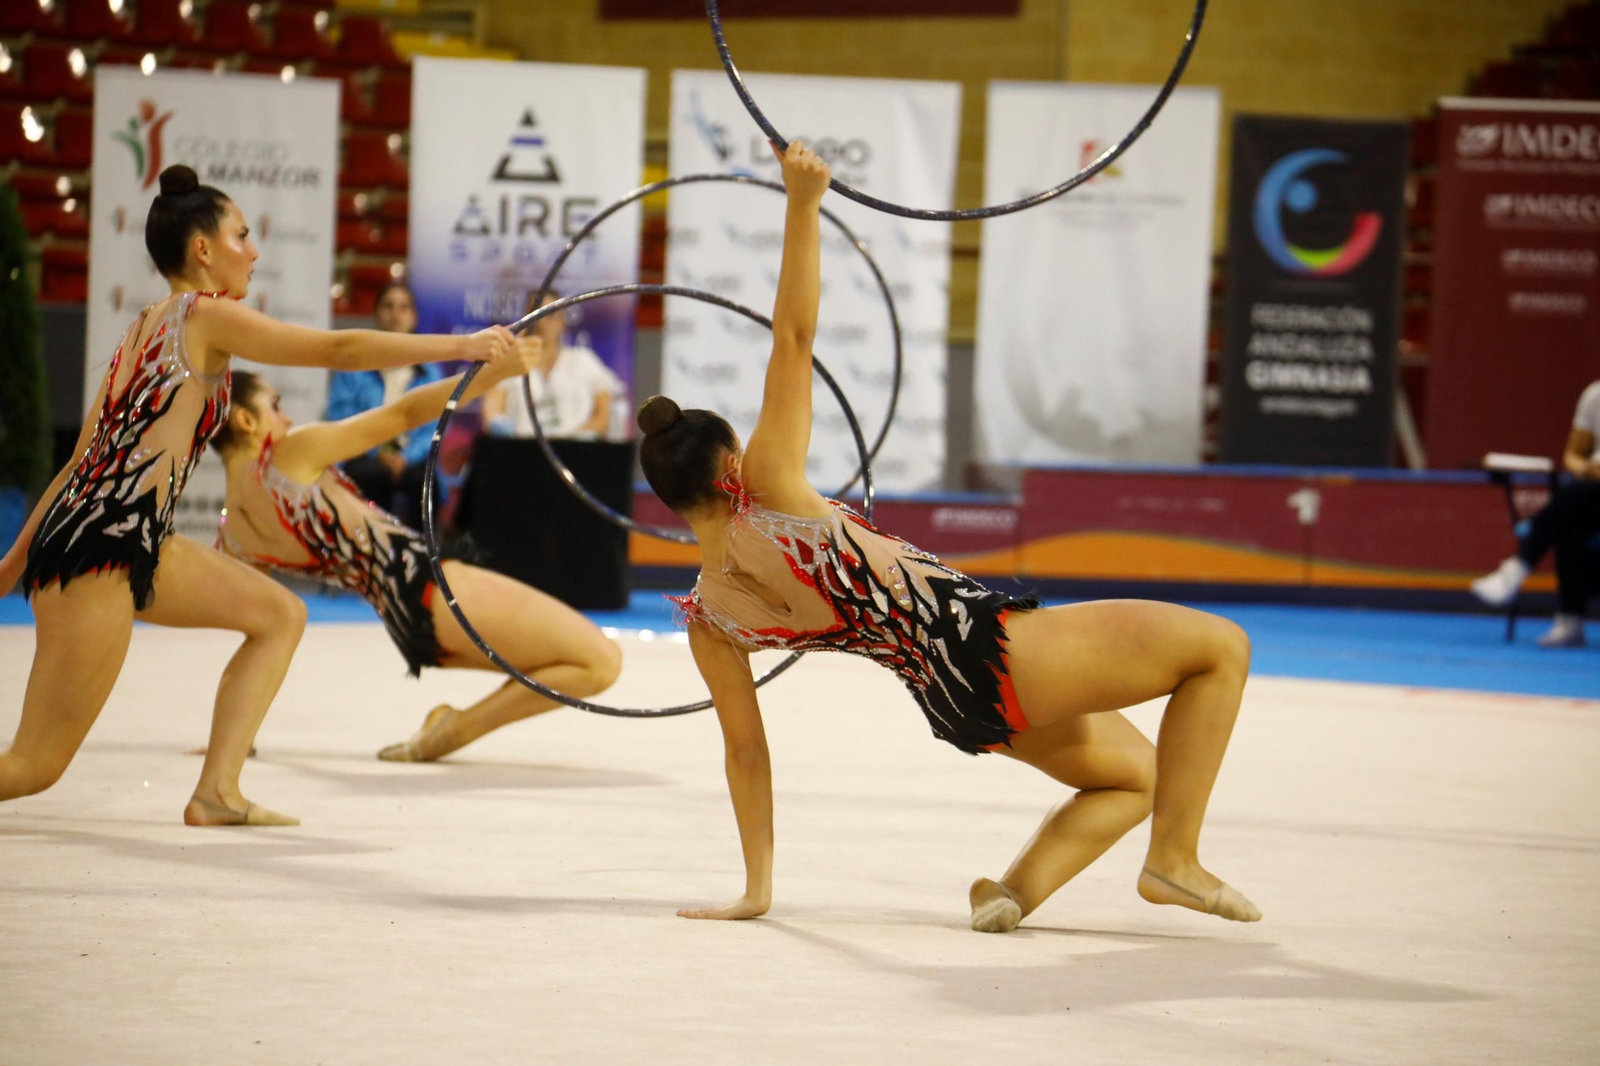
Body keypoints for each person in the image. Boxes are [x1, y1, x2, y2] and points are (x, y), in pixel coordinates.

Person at [643, 142, 1260, 930]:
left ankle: (1011, 893)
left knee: (1138, 775)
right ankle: (1174, 860)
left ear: (666, 503)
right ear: (731, 457)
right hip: (990, 645)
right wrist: (803, 205)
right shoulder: (770, 491)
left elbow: (745, 753)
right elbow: (793, 338)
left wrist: (757, 888)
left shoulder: (710, 618)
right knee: (1221, 648)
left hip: (949, 699)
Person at [0, 164, 512, 825]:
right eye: (242, 234)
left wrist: (17, 557)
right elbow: (339, 348)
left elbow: (77, 459)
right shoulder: (206, 315)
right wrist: (462, 344)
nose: (255, 249)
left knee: (278, 615)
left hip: (125, 538)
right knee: (32, 767)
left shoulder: (144, 326)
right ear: (203, 249)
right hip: (102, 551)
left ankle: (217, 792)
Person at [213, 362, 622, 764]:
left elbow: (259, 641)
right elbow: (402, 415)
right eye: (275, 405)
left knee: (566, 663)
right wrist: (493, 373)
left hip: (410, 628)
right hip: (432, 590)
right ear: (246, 420)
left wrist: (233, 740)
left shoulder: (235, 532)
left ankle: (452, 725)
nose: (285, 417)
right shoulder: (289, 455)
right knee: (600, 662)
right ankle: (455, 729)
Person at [1471, 379, 1600, 647]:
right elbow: (1573, 455)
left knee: (1571, 501)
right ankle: (1571, 624)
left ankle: (1517, 568)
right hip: (1594, 492)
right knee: (1569, 519)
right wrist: (1587, 469)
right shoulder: (1594, 395)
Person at [323, 281, 447, 527]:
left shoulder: (429, 372)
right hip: (364, 453)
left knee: (424, 482)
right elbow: (341, 416)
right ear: (377, 313)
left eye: (403, 307)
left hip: (412, 459)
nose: (396, 314)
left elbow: (436, 427)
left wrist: (405, 458)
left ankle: (424, 557)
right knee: (370, 476)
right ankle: (369, 552)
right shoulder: (354, 366)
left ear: (414, 317)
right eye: (388, 306)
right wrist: (377, 452)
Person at [480, 291, 622, 440]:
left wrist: (570, 439)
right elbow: (491, 416)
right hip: (521, 453)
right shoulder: (508, 362)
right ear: (525, 320)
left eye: (551, 314)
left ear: (563, 320)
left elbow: (602, 418)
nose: (543, 322)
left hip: (575, 454)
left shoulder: (585, 361)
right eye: (536, 315)